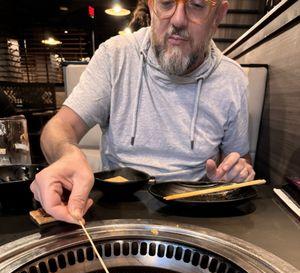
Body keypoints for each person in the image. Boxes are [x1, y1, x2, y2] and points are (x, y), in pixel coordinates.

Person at [31, 0, 255, 224]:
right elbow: (60, 127)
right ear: (151, 6)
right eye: (166, 3)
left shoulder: (231, 79)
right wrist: (66, 153)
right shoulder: (115, 55)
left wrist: (236, 173)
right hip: (116, 212)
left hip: (194, 214)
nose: (177, 19)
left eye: (196, 5)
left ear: (218, 14)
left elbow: (239, 159)